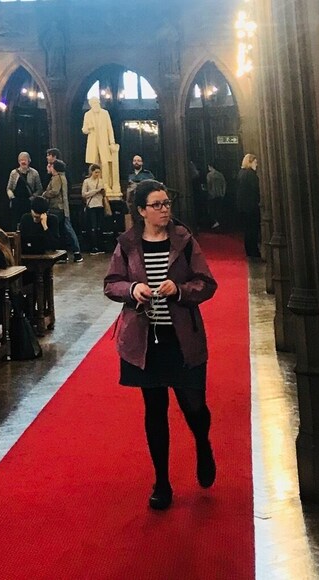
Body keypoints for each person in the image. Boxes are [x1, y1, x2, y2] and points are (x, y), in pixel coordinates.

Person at [103, 179, 218, 511]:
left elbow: (207, 282)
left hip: (182, 338)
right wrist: (132, 290)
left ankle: (202, 442)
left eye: (167, 203)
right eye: (157, 205)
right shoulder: (128, 244)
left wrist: (180, 290)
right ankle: (162, 482)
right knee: (155, 409)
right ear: (142, 211)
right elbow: (111, 283)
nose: (165, 209)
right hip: (146, 340)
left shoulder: (184, 240)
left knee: (194, 405)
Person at [43, 159, 83, 263]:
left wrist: (45, 194)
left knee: (59, 231)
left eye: (52, 166)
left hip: (57, 207)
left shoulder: (57, 178)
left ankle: (63, 254)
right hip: (63, 207)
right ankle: (72, 253)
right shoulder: (63, 177)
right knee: (66, 230)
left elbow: (55, 191)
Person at [6, 152, 42, 228]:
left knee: (28, 223)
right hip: (16, 203)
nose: (23, 162)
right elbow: (9, 188)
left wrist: (32, 198)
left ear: (29, 161)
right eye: (21, 160)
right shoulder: (14, 173)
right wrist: (12, 198)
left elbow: (39, 189)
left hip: (29, 203)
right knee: (15, 223)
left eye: (25, 160)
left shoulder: (34, 173)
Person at [237, 154, 262, 258]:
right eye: (255, 162)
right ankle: (254, 251)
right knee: (253, 229)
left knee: (247, 229)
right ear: (250, 162)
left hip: (243, 206)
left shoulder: (241, 173)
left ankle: (249, 250)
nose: (256, 164)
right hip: (251, 206)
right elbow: (256, 189)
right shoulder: (250, 174)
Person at [81, 164, 106, 254]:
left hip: (100, 205)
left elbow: (104, 194)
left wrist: (103, 192)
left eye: (99, 172)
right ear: (92, 172)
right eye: (96, 172)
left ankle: (100, 246)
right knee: (93, 226)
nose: (97, 174)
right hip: (91, 206)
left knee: (100, 227)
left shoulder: (101, 181)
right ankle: (93, 246)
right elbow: (84, 194)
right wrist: (96, 191)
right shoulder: (86, 181)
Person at [206, 164, 227, 229]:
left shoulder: (209, 175)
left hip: (212, 195)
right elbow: (224, 185)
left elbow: (209, 185)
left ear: (210, 166)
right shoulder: (220, 175)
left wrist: (209, 193)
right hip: (220, 194)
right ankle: (220, 223)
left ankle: (215, 223)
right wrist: (223, 193)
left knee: (212, 210)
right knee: (219, 210)